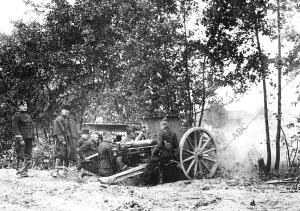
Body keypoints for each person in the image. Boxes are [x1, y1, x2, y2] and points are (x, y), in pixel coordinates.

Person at [143, 117, 179, 185]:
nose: (161, 127)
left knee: (152, 161)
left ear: (163, 125)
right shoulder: (173, 133)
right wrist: (172, 152)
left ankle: (154, 180)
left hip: (164, 156)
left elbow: (159, 145)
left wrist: (154, 152)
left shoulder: (162, 133)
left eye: (161, 126)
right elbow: (176, 146)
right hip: (171, 156)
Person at [52, 104, 78, 177]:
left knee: (67, 156)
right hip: (61, 141)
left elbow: (74, 131)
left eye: (68, 110)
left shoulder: (71, 120)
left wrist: (74, 140)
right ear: (61, 110)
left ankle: (65, 172)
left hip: (70, 140)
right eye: (65, 110)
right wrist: (61, 139)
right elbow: (57, 131)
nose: (66, 111)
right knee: (59, 155)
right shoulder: (58, 119)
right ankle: (56, 171)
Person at [11, 100, 35, 177]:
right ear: (19, 107)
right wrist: (20, 139)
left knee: (28, 154)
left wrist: (32, 137)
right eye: (23, 106)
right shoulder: (16, 116)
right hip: (22, 138)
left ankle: (25, 171)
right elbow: (15, 128)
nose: (25, 107)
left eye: (26, 106)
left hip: (29, 138)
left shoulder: (28, 116)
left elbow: (31, 127)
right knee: (20, 154)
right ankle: (19, 172)